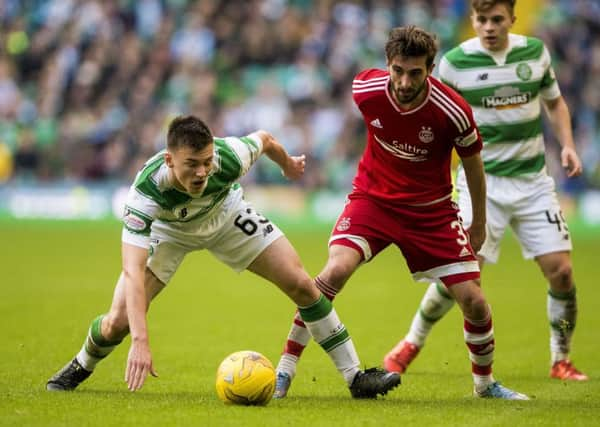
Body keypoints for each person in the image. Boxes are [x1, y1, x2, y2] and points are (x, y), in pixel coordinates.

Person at [46, 115, 400, 398]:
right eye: (191, 164)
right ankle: (81, 364)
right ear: (169, 159)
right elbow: (133, 270)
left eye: (206, 161)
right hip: (169, 233)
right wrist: (140, 340)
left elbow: (264, 139)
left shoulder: (228, 156)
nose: (201, 172)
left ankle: (356, 378)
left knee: (302, 285)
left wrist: (287, 164)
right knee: (117, 323)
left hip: (226, 215)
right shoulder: (145, 194)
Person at [274, 26, 528, 400]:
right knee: (334, 271)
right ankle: (285, 370)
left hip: (431, 212)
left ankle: (485, 385)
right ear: (388, 66)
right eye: (397, 70)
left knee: (473, 300)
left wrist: (478, 223)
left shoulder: (452, 110)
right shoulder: (365, 90)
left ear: (430, 69)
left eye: (415, 72)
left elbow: (474, 165)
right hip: (373, 201)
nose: (405, 81)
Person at [383, 0, 587, 382]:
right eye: (481, 20)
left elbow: (555, 103)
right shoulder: (455, 63)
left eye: (497, 19)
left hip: (532, 182)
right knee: (459, 277)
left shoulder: (535, 53)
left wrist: (568, 144)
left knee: (561, 273)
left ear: (511, 18)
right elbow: (435, 116)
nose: (489, 27)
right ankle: (411, 342)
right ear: (472, 21)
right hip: (481, 186)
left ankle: (561, 358)